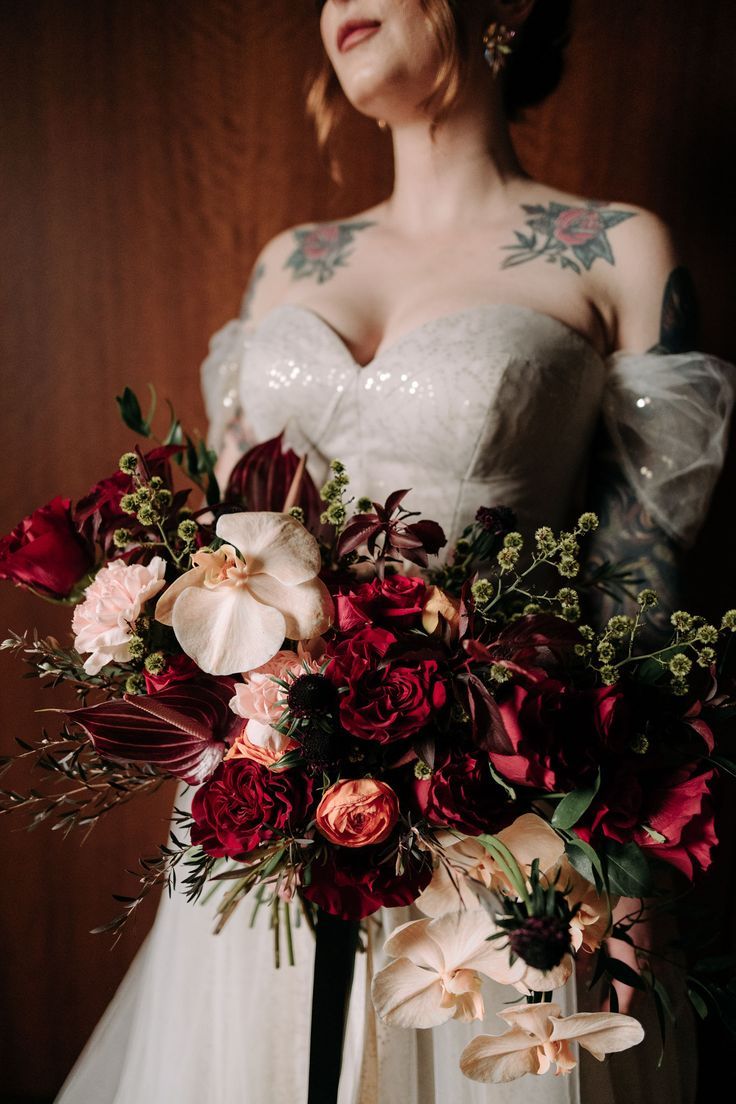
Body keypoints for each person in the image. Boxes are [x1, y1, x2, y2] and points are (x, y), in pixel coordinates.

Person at [55, 2, 734, 1102]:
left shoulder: (616, 246)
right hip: (274, 797)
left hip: (507, 802)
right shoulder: (290, 262)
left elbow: (640, 573)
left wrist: (636, 854)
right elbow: (233, 545)